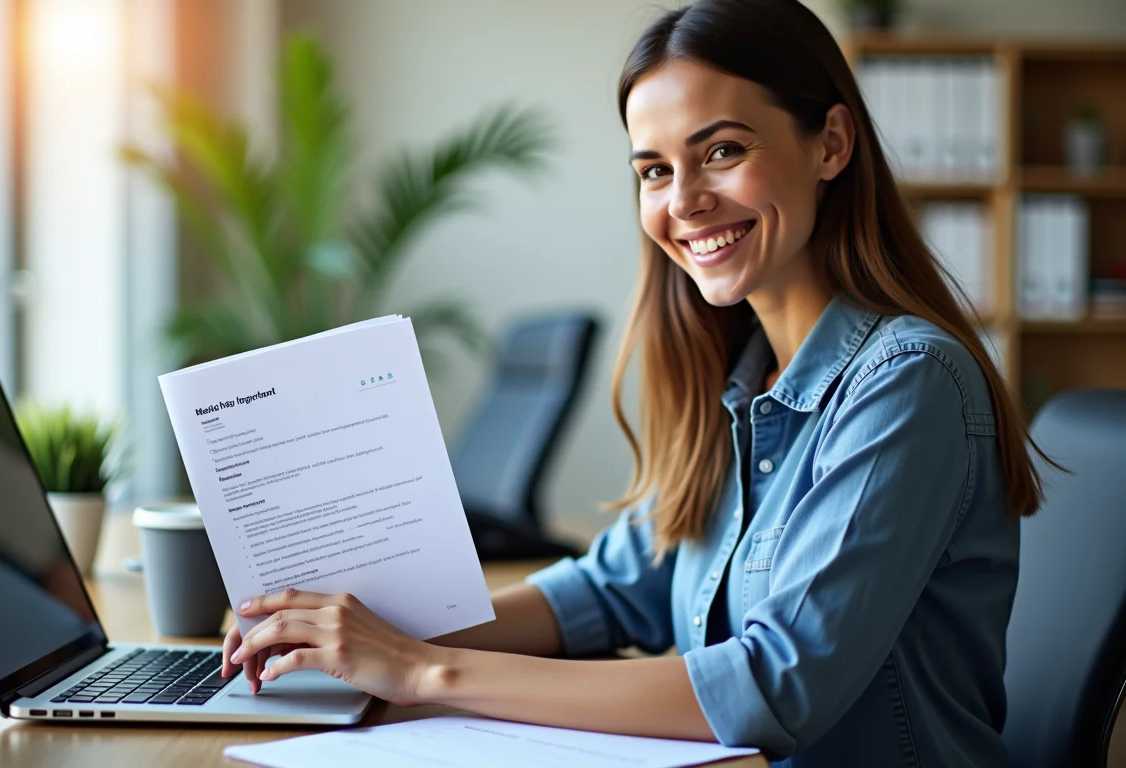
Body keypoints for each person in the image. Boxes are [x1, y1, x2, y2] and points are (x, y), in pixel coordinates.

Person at [221, 1, 1051, 764]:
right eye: (654, 170)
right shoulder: (740, 380)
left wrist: (423, 670)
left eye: (722, 150)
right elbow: (613, 587)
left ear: (831, 143)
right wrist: (346, 633)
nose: (684, 201)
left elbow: (774, 686)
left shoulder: (908, 383)